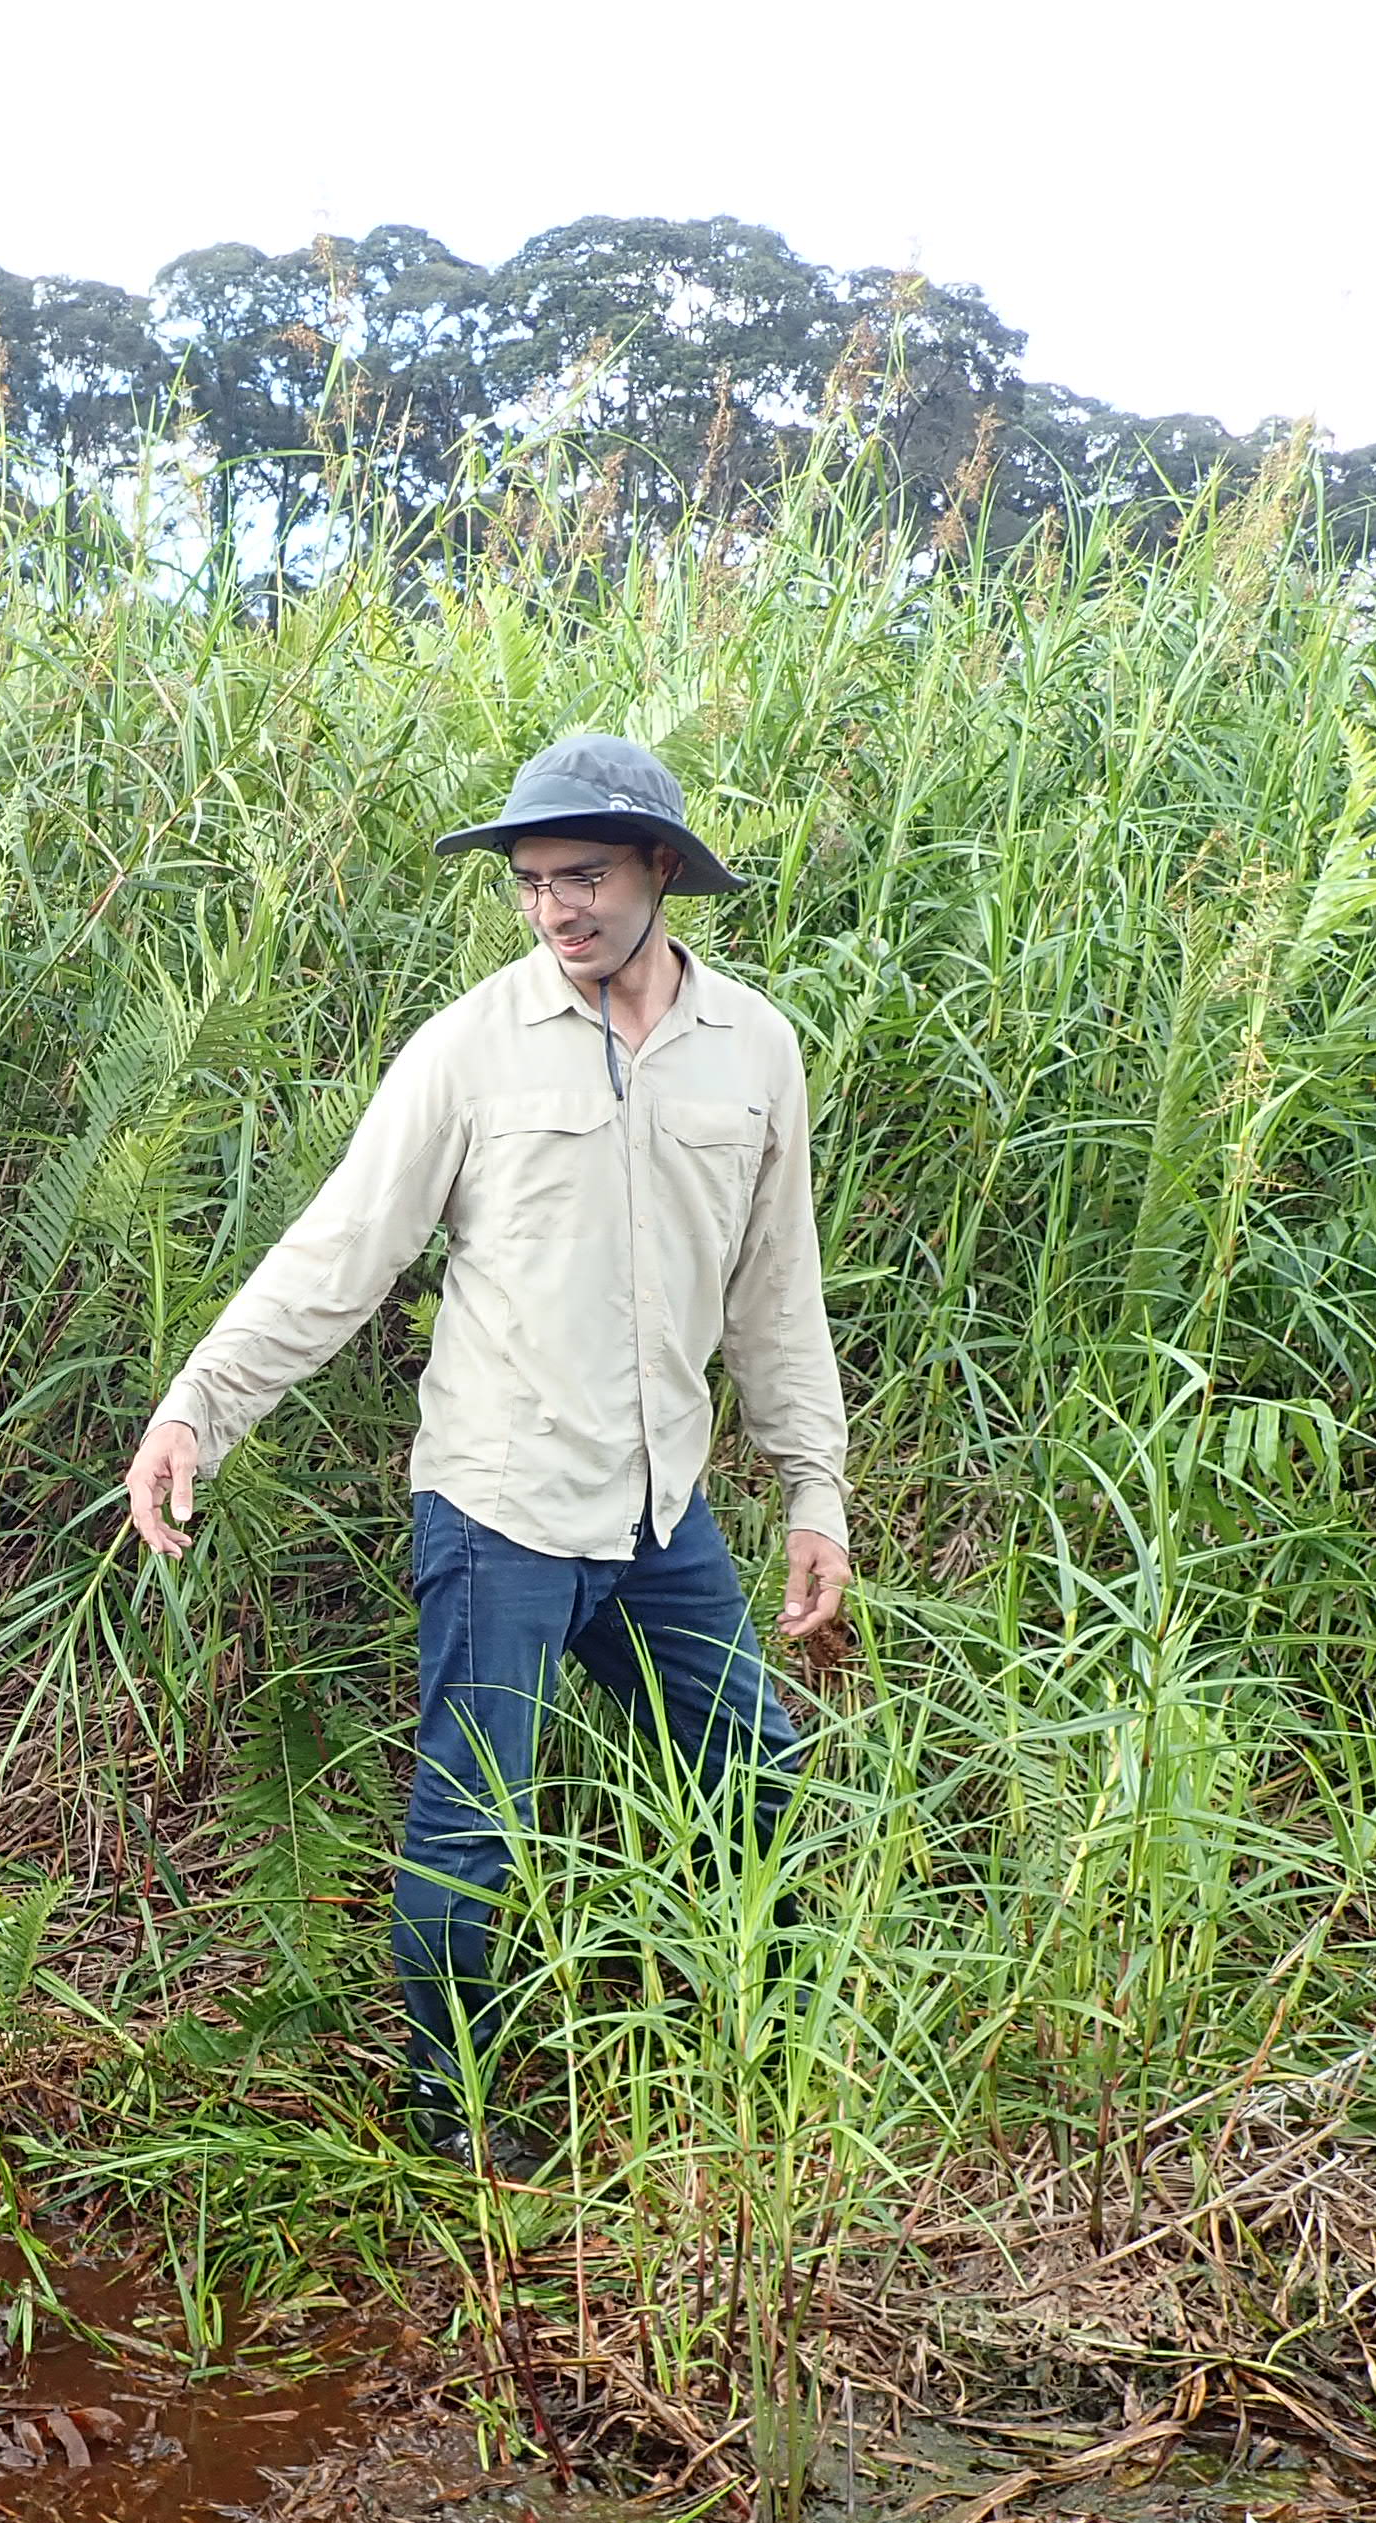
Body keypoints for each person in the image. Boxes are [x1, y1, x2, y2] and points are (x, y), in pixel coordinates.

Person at [120, 733, 850, 2159]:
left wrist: (814, 1490)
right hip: (501, 1501)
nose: (555, 910)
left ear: (659, 870)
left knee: (757, 1778)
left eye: (581, 876)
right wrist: (196, 1404)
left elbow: (779, 1292)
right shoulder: (470, 1049)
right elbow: (342, 1251)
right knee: (475, 1823)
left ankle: (748, 2052)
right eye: (529, 885)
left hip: (662, 1513)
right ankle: (446, 2112)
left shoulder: (755, 1050)